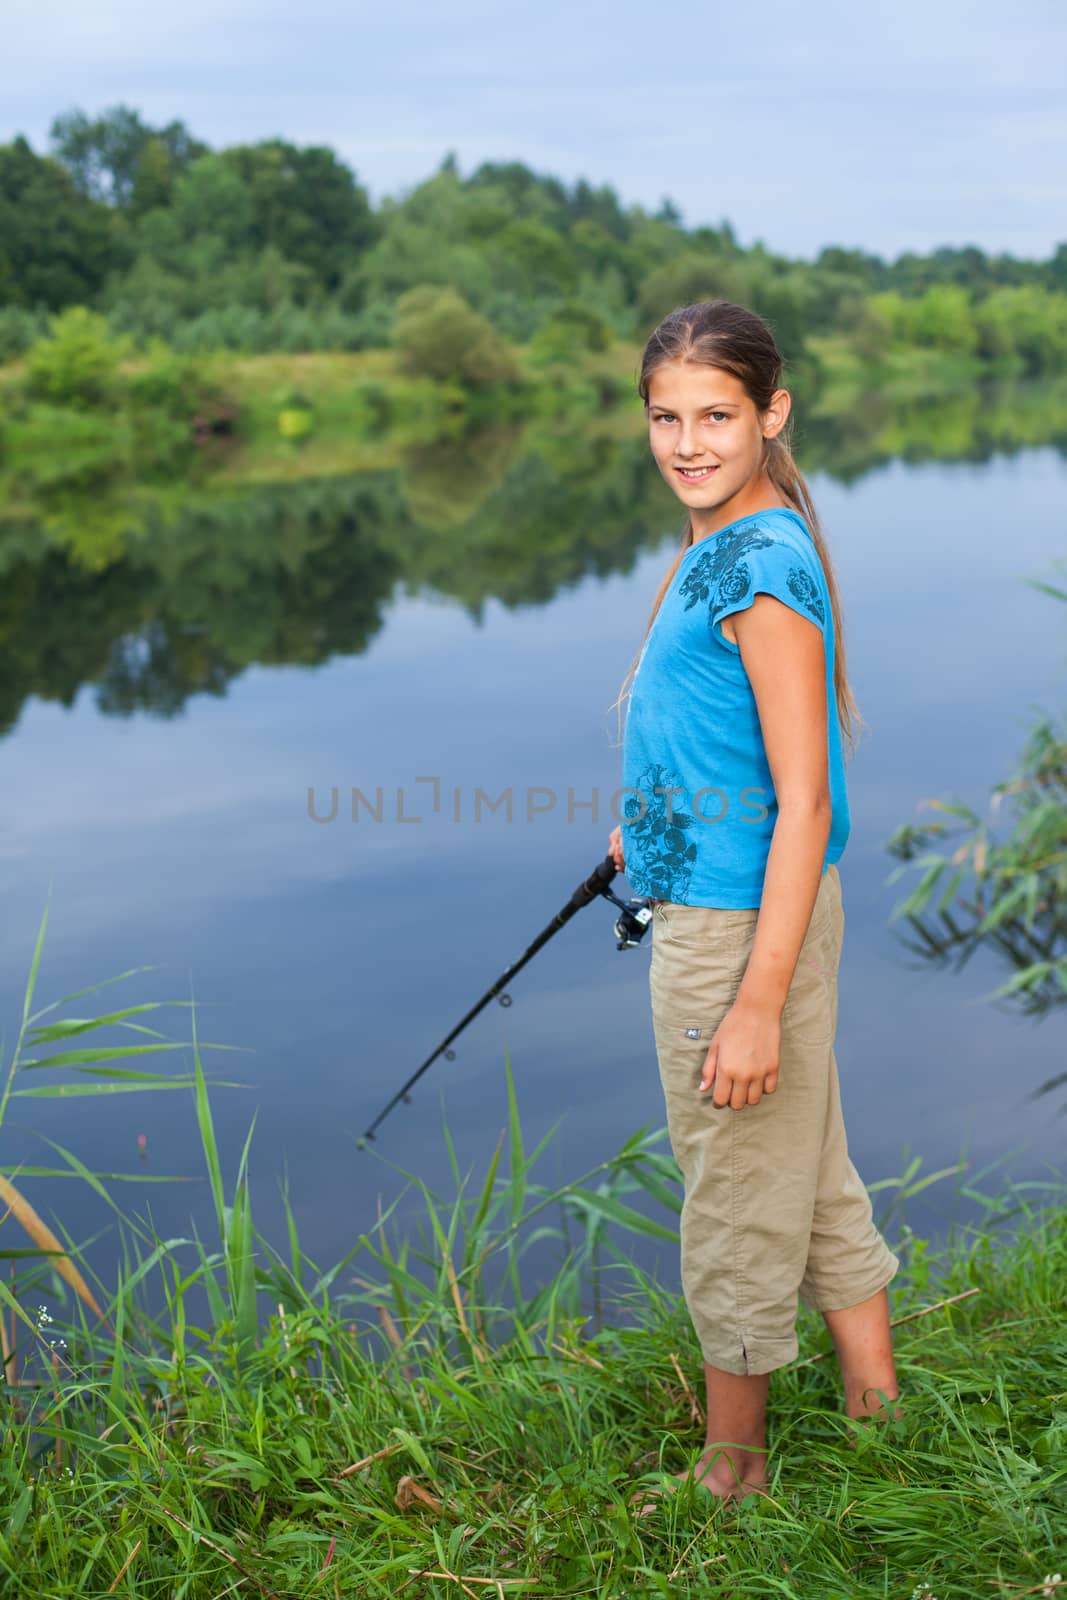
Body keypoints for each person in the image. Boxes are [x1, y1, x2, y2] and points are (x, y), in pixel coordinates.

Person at [607, 299, 902, 1510]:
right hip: (726, 893)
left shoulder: (760, 558)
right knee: (804, 1160)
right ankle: (877, 1403)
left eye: (715, 415)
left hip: (738, 933)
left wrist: (754, 1004)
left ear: (769, 414)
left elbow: (805, 797)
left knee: (732, 1184)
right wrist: (651, 811)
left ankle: (732, 1469)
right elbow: (716, 739)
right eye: (666, 417)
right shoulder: (718, 541)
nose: (687, 441)